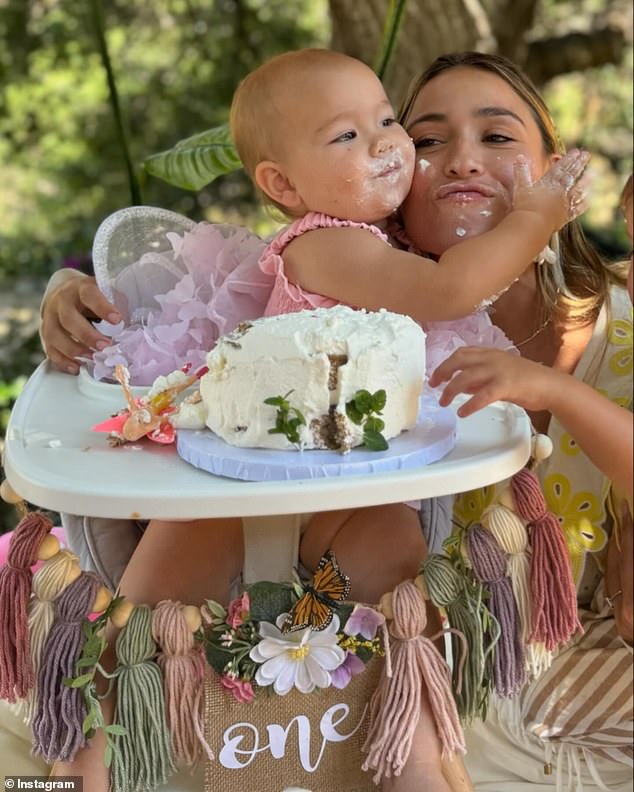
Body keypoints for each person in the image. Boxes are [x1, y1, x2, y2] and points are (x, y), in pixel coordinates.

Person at [41, 47, 588, 792]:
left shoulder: (384, 253)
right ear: (281, 185)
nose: (388, 144)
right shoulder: (328, 244)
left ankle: (413, 764)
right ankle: (73, 772)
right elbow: (456, 286)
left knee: (402, 616)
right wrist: (535, 213)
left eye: (389, 123)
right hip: (234, 499)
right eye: (349, 137)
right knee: (144, 634)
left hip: (350, 498)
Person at [393, 53, 632, 791]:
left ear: (559, 177)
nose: (462, 158)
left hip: (598, 677)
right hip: (428, 683)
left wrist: (555, 392)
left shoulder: (625, 319)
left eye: (498, 137)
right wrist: (72, 294)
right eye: (426, 142)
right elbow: (179, 311)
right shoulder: (352, 337)